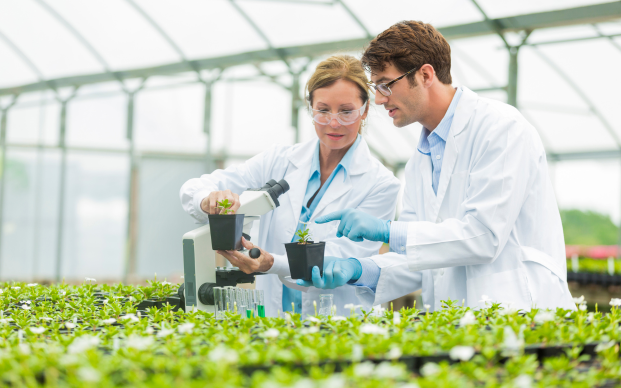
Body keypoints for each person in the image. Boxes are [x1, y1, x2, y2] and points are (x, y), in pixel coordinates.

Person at [298, 21, 576, 312]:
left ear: (426, 74)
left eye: (385, 85)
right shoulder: (421, 160)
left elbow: (483, 237)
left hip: (520, 312)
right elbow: (417, 256)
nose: (379, 99)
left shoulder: (501, 129)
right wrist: (358, 269)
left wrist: (388, 231)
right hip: (457, 322)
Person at [179, 55, 401, 317]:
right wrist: (209, 198)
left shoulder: (381, 184)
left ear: (364, 109)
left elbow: (343, 259)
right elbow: (195, 187)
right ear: (310, 108)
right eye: (323, 109)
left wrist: (270, 263)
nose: (333, 122)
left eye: (346, 111)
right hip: (272, 318)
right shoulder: (280, 160)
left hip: (338, 321)